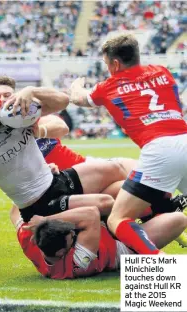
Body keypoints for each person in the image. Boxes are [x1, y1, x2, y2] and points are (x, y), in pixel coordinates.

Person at [67, 34, 187, 255]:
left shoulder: (109, 86)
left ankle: (158, 264)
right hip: (184, 138)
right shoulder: (163, 72)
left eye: (106, 64)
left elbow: (79, 98)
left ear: (114, 64)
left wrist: (76, 85)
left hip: (160, 149)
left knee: (118, 218)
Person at [0, 86, 134, 223]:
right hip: (38, 203)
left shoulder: (15, 117)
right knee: (107, 202)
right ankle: (114, 237)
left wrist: (32, 91)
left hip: (55, 179)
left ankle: (157, 199)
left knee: (116, 168)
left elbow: (62, 101)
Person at [13, 206, 187, 279]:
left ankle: (151, 210)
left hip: (101, 229)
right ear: (61, 253)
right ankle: (156, 211)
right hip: (123, 248)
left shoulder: (30, 239)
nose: (73, 233)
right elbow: (91, 214)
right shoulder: (79, 263)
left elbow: (17, 209)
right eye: (72, 237)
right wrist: (45, 218)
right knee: (178, 219)